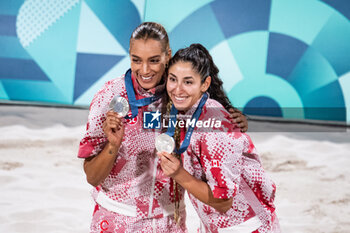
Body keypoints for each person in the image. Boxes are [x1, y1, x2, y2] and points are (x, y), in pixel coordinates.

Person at [78, 22, 248, 232]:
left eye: (154, 60)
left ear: (167, 55)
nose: (145, 70)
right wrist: (113, 146)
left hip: (170, 221)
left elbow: (213, 116)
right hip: (117, 220)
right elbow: (92, 177)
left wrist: (232, 120)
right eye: (136, 60)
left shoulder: (181, 93)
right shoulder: (109, 96)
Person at [158, 43, 280, 232]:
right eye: (173, 79)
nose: (178, 89)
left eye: (188, 82)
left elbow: (223, 202)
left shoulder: (214, 127)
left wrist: (178, 174)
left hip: (245, 227)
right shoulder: (184, 110)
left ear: (204, 84)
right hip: (214, 225)